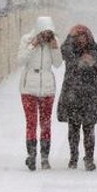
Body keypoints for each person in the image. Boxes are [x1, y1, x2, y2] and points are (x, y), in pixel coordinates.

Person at [57, 24, 97, 171]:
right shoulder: (70, 49)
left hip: (90, 94)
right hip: (72, 93)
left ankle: (89, 158)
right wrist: (69, 37)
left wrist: (92, 62)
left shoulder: (94, 49)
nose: (81, 39)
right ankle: (73, 157)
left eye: (83, 36)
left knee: (89, 128)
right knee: (73, 127)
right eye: (77, 36)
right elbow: (63, 52)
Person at [18, 15, 61, 171]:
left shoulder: (53, 42)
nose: (45, 36)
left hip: (47, 88)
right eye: (43, 33)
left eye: (48, 33)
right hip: (29, 87)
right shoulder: (27, 40)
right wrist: (32, 46)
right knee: (31, 122)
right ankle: (31, 155)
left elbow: (57, 64)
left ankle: (44, 157)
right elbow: (21, 60)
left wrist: (55, 48)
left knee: (45, 123)